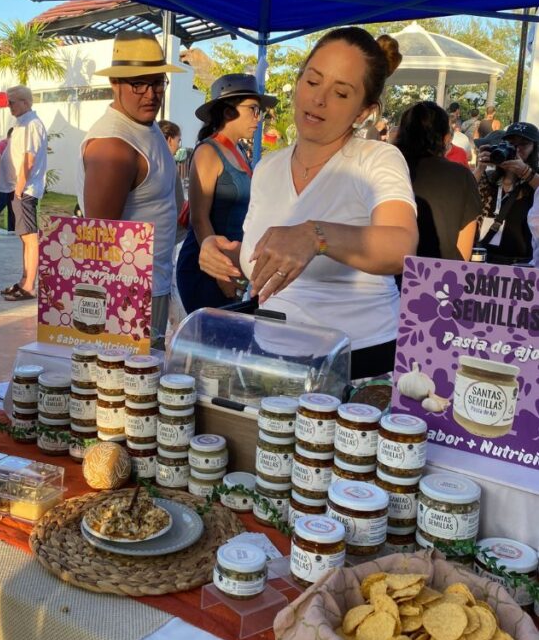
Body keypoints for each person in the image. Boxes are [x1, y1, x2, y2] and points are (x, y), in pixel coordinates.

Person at [199, 26, 418, 379]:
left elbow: (401, 246)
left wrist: (316, 236)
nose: (318, 99)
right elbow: (269, 259)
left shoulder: (376, 159)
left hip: (357, 365)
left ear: (364, 111)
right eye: (313, 82)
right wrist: (222, 253)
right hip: (271, 361)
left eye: (341, 93)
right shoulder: (268, 167)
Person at [76, 32, 184, 345]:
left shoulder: (146, 129)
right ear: (115, 84)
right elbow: (98, 242)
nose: (150, 93)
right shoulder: (114, 145)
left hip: (154, 284)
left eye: (157, 82)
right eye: (138, 83)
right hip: (128, 298)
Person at [176, 74, 276, 313]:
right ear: (229, 111)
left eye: (259, 110)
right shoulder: (208, 152)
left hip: (231, 269)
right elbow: (199, 219)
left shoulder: (240, 150)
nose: (258, 118)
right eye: (253, 109)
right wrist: (222, 275)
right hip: (206, 269)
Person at [394, 102, 481, 261]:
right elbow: (464, 249)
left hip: (388, 275)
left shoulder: (387, 170)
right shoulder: (461, 176)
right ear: (446, 138)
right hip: (440, 278)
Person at [0, 86, 48, 301]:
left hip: (25, 190)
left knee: (30, 238)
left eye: (12, 102)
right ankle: (24, 280)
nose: (9, 106)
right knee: (25, 238)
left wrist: (19, 187)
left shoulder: (31, 124)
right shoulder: (22, 123)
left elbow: (29, 158)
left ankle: (30, 285)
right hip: (18, 189)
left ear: (26, 102)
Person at [473, 122, 539, 263]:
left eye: (524, 144)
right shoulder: (489, 178)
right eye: (511, 143)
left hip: (521, 264)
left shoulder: (534, 180)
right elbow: (463, 194)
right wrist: (480, 168)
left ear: (534, 149)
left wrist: (525, 172)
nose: (516, 149)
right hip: (485, 260)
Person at [0, 126, 15, 232]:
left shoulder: (14, 146)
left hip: (11, 181)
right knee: (2, 202)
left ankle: (12, 228)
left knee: (11, 205)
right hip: (2, 179)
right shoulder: (2, 145)